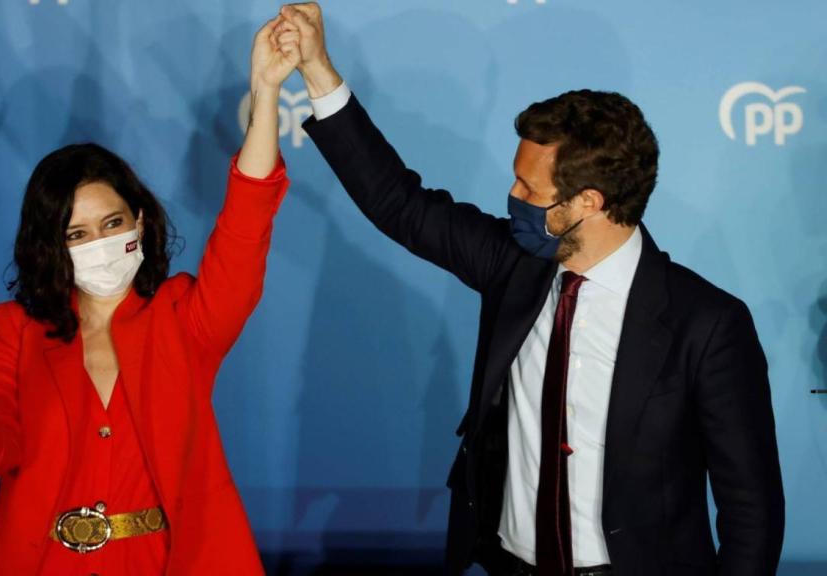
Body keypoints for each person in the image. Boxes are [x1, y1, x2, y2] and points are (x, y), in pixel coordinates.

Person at [273, 3, 785, 575]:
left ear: (588, 202)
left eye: (529, 187)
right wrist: (317, 70)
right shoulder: (513, 264)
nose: (512, 196)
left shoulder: (707, 323)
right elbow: (399, 203)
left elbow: (751, 511)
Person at [0, 17, 300, 575]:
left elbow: (245, 226)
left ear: (139, 221)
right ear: (51, 247)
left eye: (112, 224)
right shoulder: (15, 328)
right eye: (77, 234)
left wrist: (267, 91)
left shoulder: (183, 315)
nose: (100, 244)